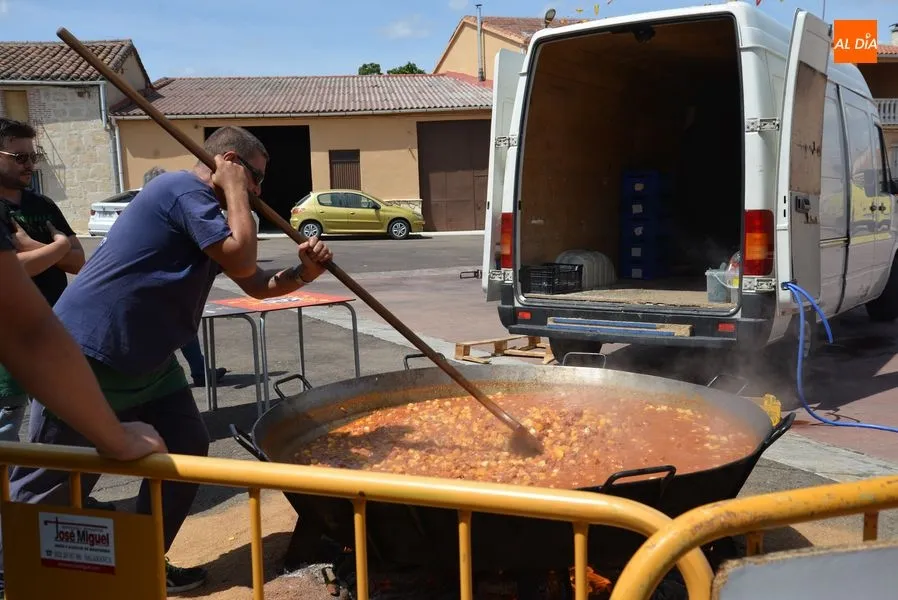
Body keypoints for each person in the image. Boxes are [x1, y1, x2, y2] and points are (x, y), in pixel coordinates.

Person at [0, 125, 333, 594]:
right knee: (51, 480)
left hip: (152, 360)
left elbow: (255, 283)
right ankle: (17, 579)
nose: (259, 191)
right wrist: (237, 191)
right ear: (230, 161)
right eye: (255, 178)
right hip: (92, 350)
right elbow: (240, 258)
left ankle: (141, 556)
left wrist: (303, 272)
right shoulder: (180, 189)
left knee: (186, 450)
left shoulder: (208, 212)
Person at [0, 213, 167, 599]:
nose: (29, 163)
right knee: (40, 482)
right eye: (18, 156)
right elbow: (28, 331)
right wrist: (115, 438)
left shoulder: (37, 205)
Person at [0, 118, 86, 441]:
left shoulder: (44, 206)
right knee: (6, 430)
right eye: (20, 157)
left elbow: (79, 262)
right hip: (9, 345)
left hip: (52, 332)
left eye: (33, 157)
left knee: (56, 428)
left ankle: (49, 493)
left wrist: (44, 249)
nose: (30, 165)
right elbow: (13, 270)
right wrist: (58, 247)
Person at [144, 166, 228, 389]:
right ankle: (191, 373)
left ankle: (199, 371)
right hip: (153, 295)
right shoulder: (156, 214)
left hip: (171, 296)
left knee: (182, 328)